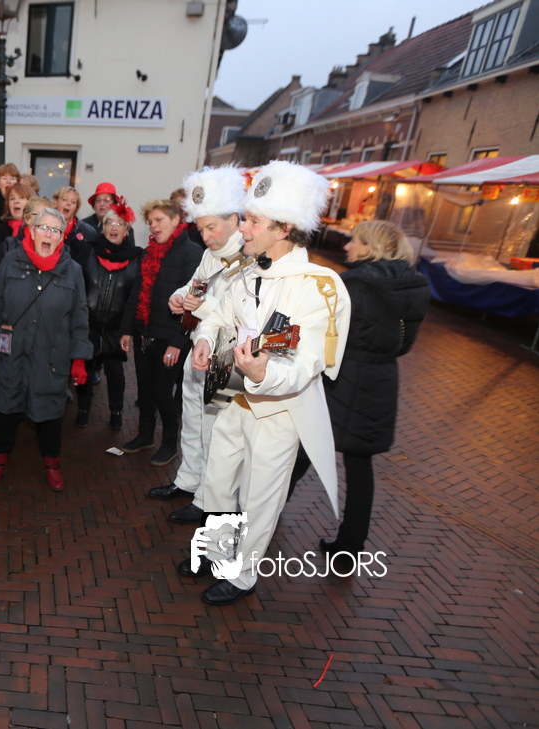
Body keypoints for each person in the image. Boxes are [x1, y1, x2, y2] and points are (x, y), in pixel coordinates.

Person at [181, 160, 352, 606]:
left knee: (259, 499)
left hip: (280, 412)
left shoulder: (318, 287)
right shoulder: (246, 269)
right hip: (234, 400)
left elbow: (307, 363)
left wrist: (263, 373)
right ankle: (219, 554)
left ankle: (241, 576)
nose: (244, 226)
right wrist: (205, 337)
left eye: (254, 220)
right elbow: (219, 314)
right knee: (218, 484)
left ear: (284, 228)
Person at [288, 220, 429, 568]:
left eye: (354, 241)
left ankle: (265, 511)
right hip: (380, 381)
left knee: (302, 449)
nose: (347, 246)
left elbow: (324, 336)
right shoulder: (416, 286)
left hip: (341, 378)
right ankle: (350, 546)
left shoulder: (350, 285)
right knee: (360, 464)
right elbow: (404, 344)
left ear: (370, 247)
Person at [0, 208, 92, 491]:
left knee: (50, 416)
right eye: (43, 227)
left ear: (61, 237)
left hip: (51, 357)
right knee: (6, 412)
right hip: (12, 353)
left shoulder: (73, 271)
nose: (48, 234)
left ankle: (52, 465)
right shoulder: (11, 261)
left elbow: (80, 319)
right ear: (31, 230)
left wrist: (79, 359)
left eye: (55, 230)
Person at [154, 167, 249, 524]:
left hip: (226, 355)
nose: (206, 236)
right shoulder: (212, 252)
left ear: (234, 220)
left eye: (212, 228)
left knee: (215, 433)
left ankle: (208, 499)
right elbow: (196, 285)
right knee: (192, 421)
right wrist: (180, 297)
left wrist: (199, 306)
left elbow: (236, 313)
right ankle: (189, 481)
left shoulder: (248, 257)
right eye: (201, 229)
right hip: (198, 347)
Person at [118, 199, 201, 466]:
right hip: (145, 334)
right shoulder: (148, 252)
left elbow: (194, 304)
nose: (153, 226)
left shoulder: (193, 254)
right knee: (144, 390)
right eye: (150, 222)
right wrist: (127, 329)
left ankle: (169, 444)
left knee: (163, 392)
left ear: (176, 220)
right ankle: (145, 436)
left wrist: (177, 342)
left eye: (159, 220)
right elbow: (136, 293)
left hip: (171, 339)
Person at [76, 205, 141, 430]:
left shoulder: (136, 259)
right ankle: (83, 410)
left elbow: (134, 298)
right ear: (103, 228)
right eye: (109, 223)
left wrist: (127, 329)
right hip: (89, 324)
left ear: (127, 230)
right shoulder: (88, 252)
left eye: (120, 224)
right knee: (86, 369)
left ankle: (116, 412)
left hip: (116, 327)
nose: (114, 228)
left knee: (115, 373)